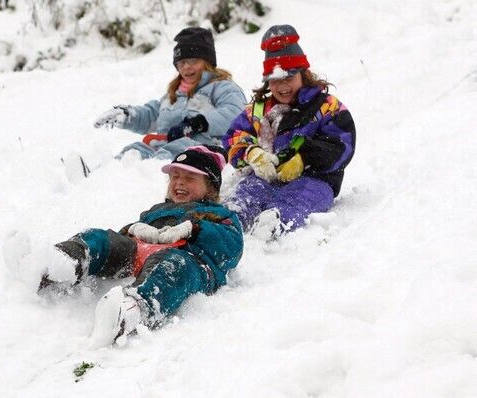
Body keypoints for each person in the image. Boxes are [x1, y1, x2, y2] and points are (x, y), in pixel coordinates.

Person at [38, 145, 243, 347]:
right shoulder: (157, 210)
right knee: (100, 238)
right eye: (175, 177)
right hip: (141, 250)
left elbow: (232, 245)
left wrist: (194, 228)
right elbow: (124, 238)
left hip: (188, 261)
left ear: (211, 187)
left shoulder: (220, 214)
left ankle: (133, 308)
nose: (179, 183)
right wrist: (132, 230)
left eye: (189, 178)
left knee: (172, 268)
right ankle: (62, 262)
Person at [222, 24, 356, 238]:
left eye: (289, 78)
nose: (282, 86)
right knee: (245, 194)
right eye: (275, 80)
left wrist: (304, 157)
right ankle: (227, 227)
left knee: (298, 199)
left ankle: (273, 226)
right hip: (266, 176)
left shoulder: (326, 106)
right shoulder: (259, 109)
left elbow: (343, 145)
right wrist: (252, 154)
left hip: (315, 180)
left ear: (303, 74)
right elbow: (233, 137)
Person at [93, 27, 246, 160]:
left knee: (179, 147)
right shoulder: (174, 94)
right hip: (164, 150)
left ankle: (150, 170)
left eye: (192, 61)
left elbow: (237, 114)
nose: (186, 67)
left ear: (207, 61)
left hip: (203, 154)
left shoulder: (222, 87)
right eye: (181, 63)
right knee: (135, 150)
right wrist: (127, 116)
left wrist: (197, 124)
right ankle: (97, 178)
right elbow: (151, 115)